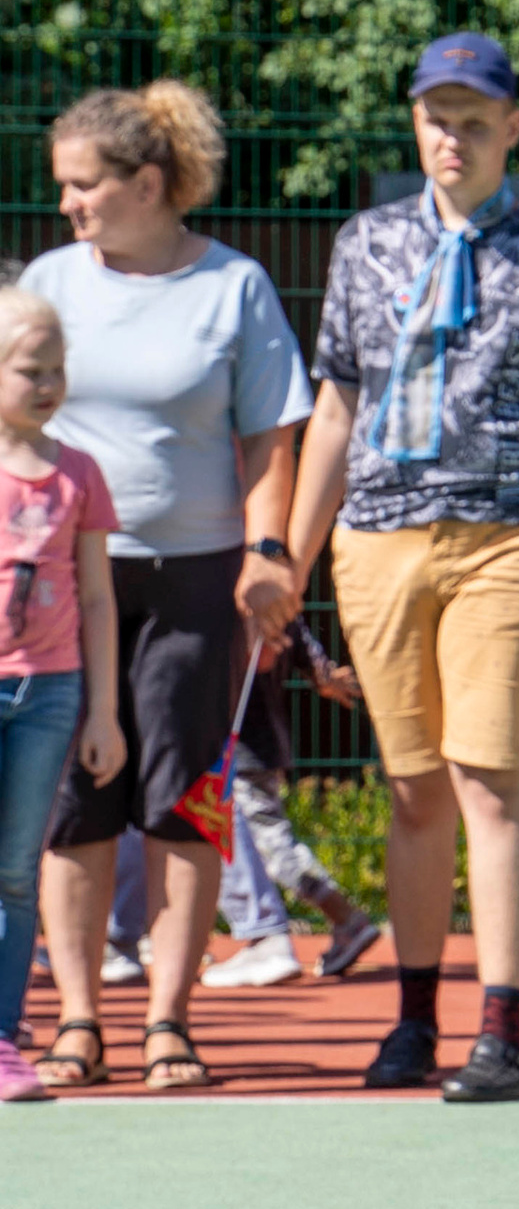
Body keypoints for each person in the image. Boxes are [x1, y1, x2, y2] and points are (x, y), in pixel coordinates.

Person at [283, 32, 519, 1103]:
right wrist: (286, 563)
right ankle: (412, 1021)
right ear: (415, 124)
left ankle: (502, 1032)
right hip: (379, 541)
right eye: (436, 118)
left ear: (512, 130)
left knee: (492, 779)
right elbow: (334, 405)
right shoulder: (365, 243)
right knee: (413, 788)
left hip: (510, 539)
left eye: (474, 121)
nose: (452, 138)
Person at [25, 80, 311, 1096]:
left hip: (197, 580)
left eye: (84, 184)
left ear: (148, 183)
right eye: (63, 186)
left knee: (185, 804)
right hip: (67, 581)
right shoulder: (50, 283)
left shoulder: (234, 287)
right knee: (76, 804)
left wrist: (267, 550)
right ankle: (76, 1024)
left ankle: (168, 1027)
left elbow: (272, 435)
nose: (67, 203)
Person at [0, 282, 125, 1101]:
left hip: (49, 694)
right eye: (27, 369)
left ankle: (4, 1038)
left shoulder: (78, 474)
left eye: (57, 368)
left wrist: (104, 713)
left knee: (15, 872)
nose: (46, 384)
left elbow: (98, 597)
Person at [198, 643, 381, 992]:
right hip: (259, 742)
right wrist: (322, 672)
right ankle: (345, 920)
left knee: (253, 840)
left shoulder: (232, 598)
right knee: (269, 843)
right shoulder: (276, 601)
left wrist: (322, 673)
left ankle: (280, 934)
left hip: (238, 747)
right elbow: (301, 642)